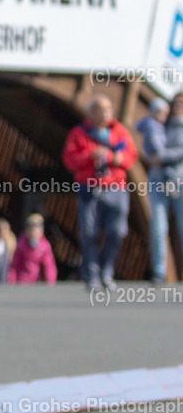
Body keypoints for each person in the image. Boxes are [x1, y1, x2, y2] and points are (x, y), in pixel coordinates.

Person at [62, 94, 138, 291]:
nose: (106, 113)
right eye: (101, 109)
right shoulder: (79, 133)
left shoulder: (119, 131)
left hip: (116, 188)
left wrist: (112, 157)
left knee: (117, 231)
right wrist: (90, 156)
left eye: (109, 109)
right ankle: (92, 275)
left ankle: (107, 271)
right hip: (90, 188)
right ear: (91, 112)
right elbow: (69, 160)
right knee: (89, 233)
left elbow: (131, 157)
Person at [142, 96, 182, 283]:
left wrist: (163, 156)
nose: (178, 107)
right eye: (176, 103)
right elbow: (148, 147)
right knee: (158, 227)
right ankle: (160, 271)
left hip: (179, 181)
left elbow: (161, 154)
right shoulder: (160, 123)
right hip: (159, 181)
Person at [8, 214, 57, 284]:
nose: (34, 230)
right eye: (31, 227)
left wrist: (50, 283)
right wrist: (12, 284)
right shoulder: (21, 244)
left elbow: (49, 267)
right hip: (21, 283)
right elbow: (13, 267)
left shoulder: (45, 246)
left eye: (37, 227)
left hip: (36, 284)